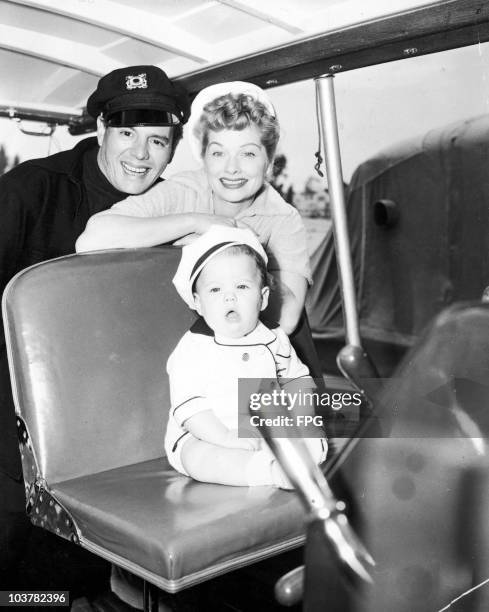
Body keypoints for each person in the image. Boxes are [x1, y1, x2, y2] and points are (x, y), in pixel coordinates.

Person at [0, 64, 189, 590]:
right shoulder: (30, 191)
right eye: (126, 133)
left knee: (73, 571)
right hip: (17, 406)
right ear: (100, 130)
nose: (140, 154)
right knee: (13, 549)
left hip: (120, 420)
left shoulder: (173, 208)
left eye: (158, 139)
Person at [76, 82, 311, 335]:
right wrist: (196, 223)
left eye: (248, 154)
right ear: (204, 158)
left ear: (269, 161)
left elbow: (286, 318)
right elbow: (91, 240)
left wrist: (238, 250)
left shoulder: (283, 218)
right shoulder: (184, 190)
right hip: (165, 330)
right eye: (218, 153)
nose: (232, 168)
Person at [166, 226, 327, 488]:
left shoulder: (275, 338)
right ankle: (269, 473)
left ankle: (297, 463)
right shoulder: (194, 347)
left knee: (314, 438)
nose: (230, 296)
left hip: (269, 425)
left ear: (263, 298)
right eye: (215, 290)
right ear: (197, 302)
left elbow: (296, 379)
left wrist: (302, 418)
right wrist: (226, 437)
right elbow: (190, 408)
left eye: (242, 286)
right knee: (199, 458)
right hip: (207, 433)